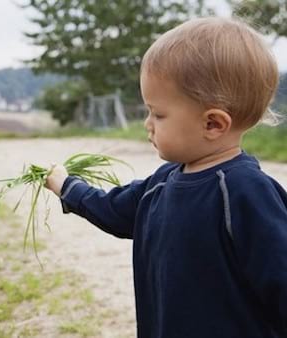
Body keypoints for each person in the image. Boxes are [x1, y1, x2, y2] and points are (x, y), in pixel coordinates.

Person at [45, 17, 287, 337]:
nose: (148, 123)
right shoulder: (162, 183)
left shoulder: (247, 193)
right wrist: (68, 187)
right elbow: (114, 210)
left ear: (213, 124)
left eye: (158, 114)